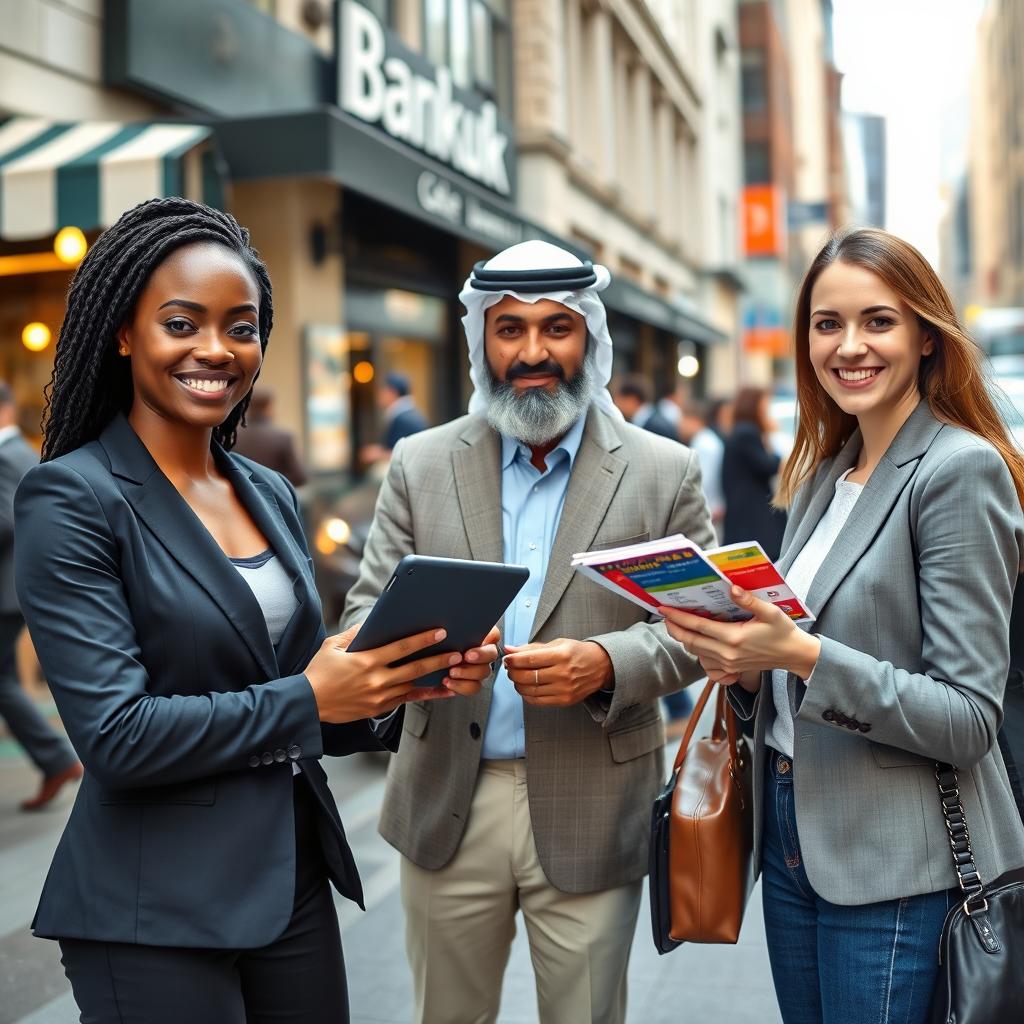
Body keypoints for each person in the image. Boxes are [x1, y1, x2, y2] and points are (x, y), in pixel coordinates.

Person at [13, 198, 498, 1024]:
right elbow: (119, 736)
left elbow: (304, 690)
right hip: (151, 907)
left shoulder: (266, 491)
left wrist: (399, 681)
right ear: (124, 334)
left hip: (287, 880)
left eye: (241, 327)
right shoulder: (72, 498)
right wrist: (315, 697)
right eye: (181, 322)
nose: (216, 349)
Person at [342, 240, 713, 1024]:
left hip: (594, 802)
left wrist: (605, 662)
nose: (533, 352)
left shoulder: (662, 470)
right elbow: (362, 620)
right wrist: (431, 662)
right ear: (483, 340)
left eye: (557, 328)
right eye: (509, 329)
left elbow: (700, 627)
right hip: (446, 795)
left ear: (590, 339)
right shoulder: (419, 462)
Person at [660, 227, 1024, 1024]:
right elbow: (795, 661)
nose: (849, 346)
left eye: (878, 321)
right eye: (828, 324)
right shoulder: (829, 469)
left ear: (927, 336)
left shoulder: (960, 470)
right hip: (794, 839)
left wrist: (798, 653)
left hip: (898, 857)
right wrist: (746, 664)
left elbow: (968, 717)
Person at [0, 382, 83, 810]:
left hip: (6, 593)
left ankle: (57, 759)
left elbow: (10, 519)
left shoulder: (8, 455)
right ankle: (55, 761)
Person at [721, 386, 787, 560]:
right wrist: (770, 435)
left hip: (744, 510)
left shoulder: (741, 430)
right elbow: (768, 465)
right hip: (752, 514)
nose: (767, 408)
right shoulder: (747, 432)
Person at [233, 386, 308, 486]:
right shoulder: (282, 437)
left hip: (241, 496)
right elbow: (299, 477)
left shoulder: (233, 436)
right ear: (268, 407)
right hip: (275, 498)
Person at [359, 371, 428, 466]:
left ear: (392, 392)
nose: (379, 395)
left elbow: (399, 453)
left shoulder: (403, 418)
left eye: (382, 390)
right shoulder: (409, 412)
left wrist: (376, 454)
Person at [678, 397, 725, 535]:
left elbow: (703, 481)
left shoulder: (705, 443)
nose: (679, 425)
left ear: (694, 420)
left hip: (710, 511)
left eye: (683, 419)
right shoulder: (704, 441)